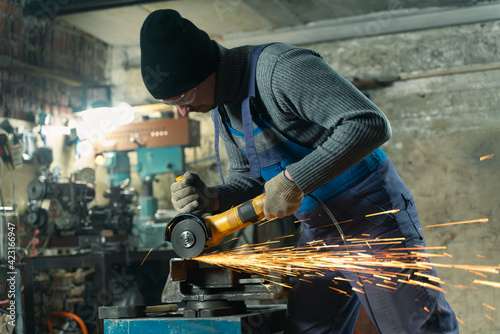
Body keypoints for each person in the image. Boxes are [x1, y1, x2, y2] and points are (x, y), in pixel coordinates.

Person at [140, 9, 459, 334]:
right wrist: (213, 197)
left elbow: (369, 123)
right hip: (318, 230)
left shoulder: (280, 70)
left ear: (206, 68)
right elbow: (249, 179)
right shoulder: (220, 105)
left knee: (416, 327)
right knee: (308, 328)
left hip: (371, 218)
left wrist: (296, 180)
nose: (182, 111)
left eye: (184, 97)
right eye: (171, 103)